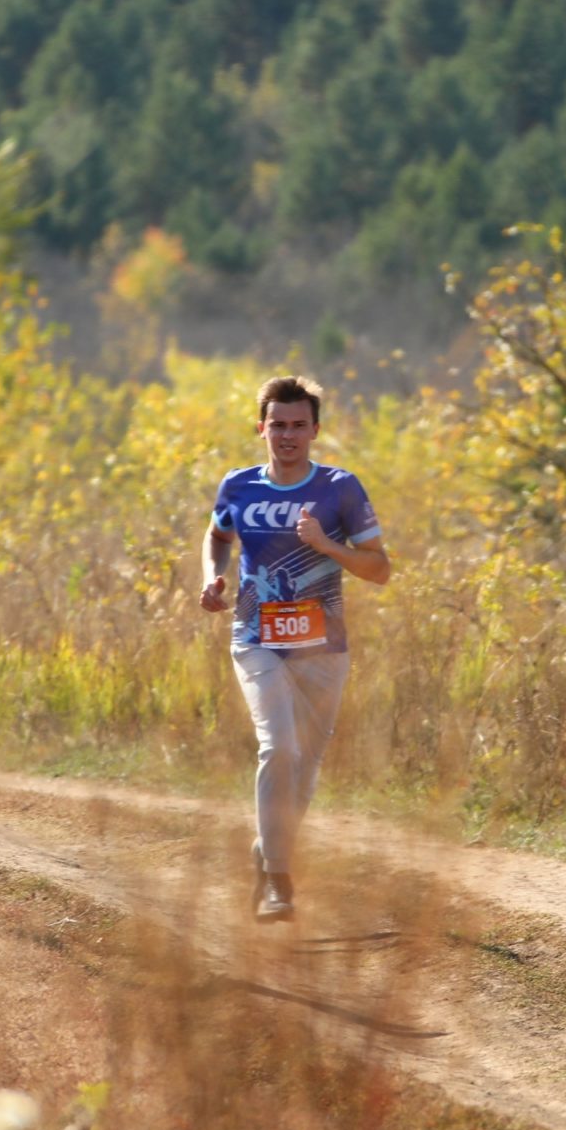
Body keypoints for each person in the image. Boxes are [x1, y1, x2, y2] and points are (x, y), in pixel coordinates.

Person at [200, 375, 391, 922]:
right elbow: (217, 534)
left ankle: (268, 851)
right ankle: (281, 882)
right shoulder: (239, 486)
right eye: (277, 425)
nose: (287, 435)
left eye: (298, 426)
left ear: (315, 430)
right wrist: (213, 578)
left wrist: (327, 545)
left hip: (324, 648)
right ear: (261, 428)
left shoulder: (340, 488)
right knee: (278, 747)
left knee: (305, 766)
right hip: (255, 637)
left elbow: (379, 569)